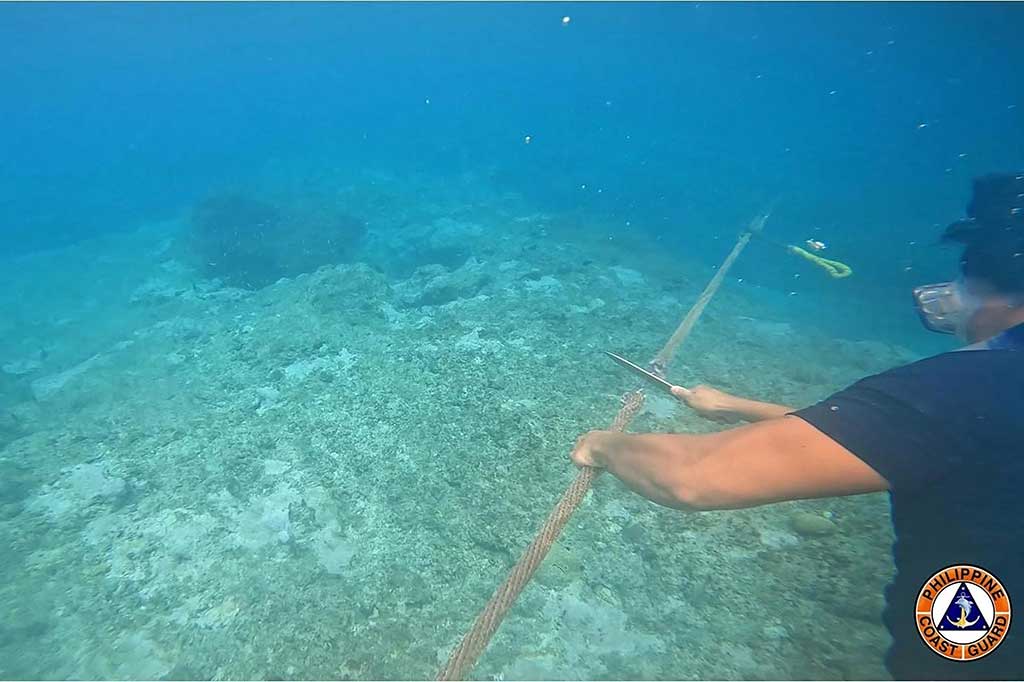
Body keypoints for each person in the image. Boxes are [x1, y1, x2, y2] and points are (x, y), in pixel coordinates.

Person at [571, 173, 1024, 680]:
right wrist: (735, 405)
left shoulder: (966, 387)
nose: (954, 292)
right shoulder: (974, 399)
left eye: (968, 274)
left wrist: (603, 446)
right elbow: (880, 434)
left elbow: (692, 476)